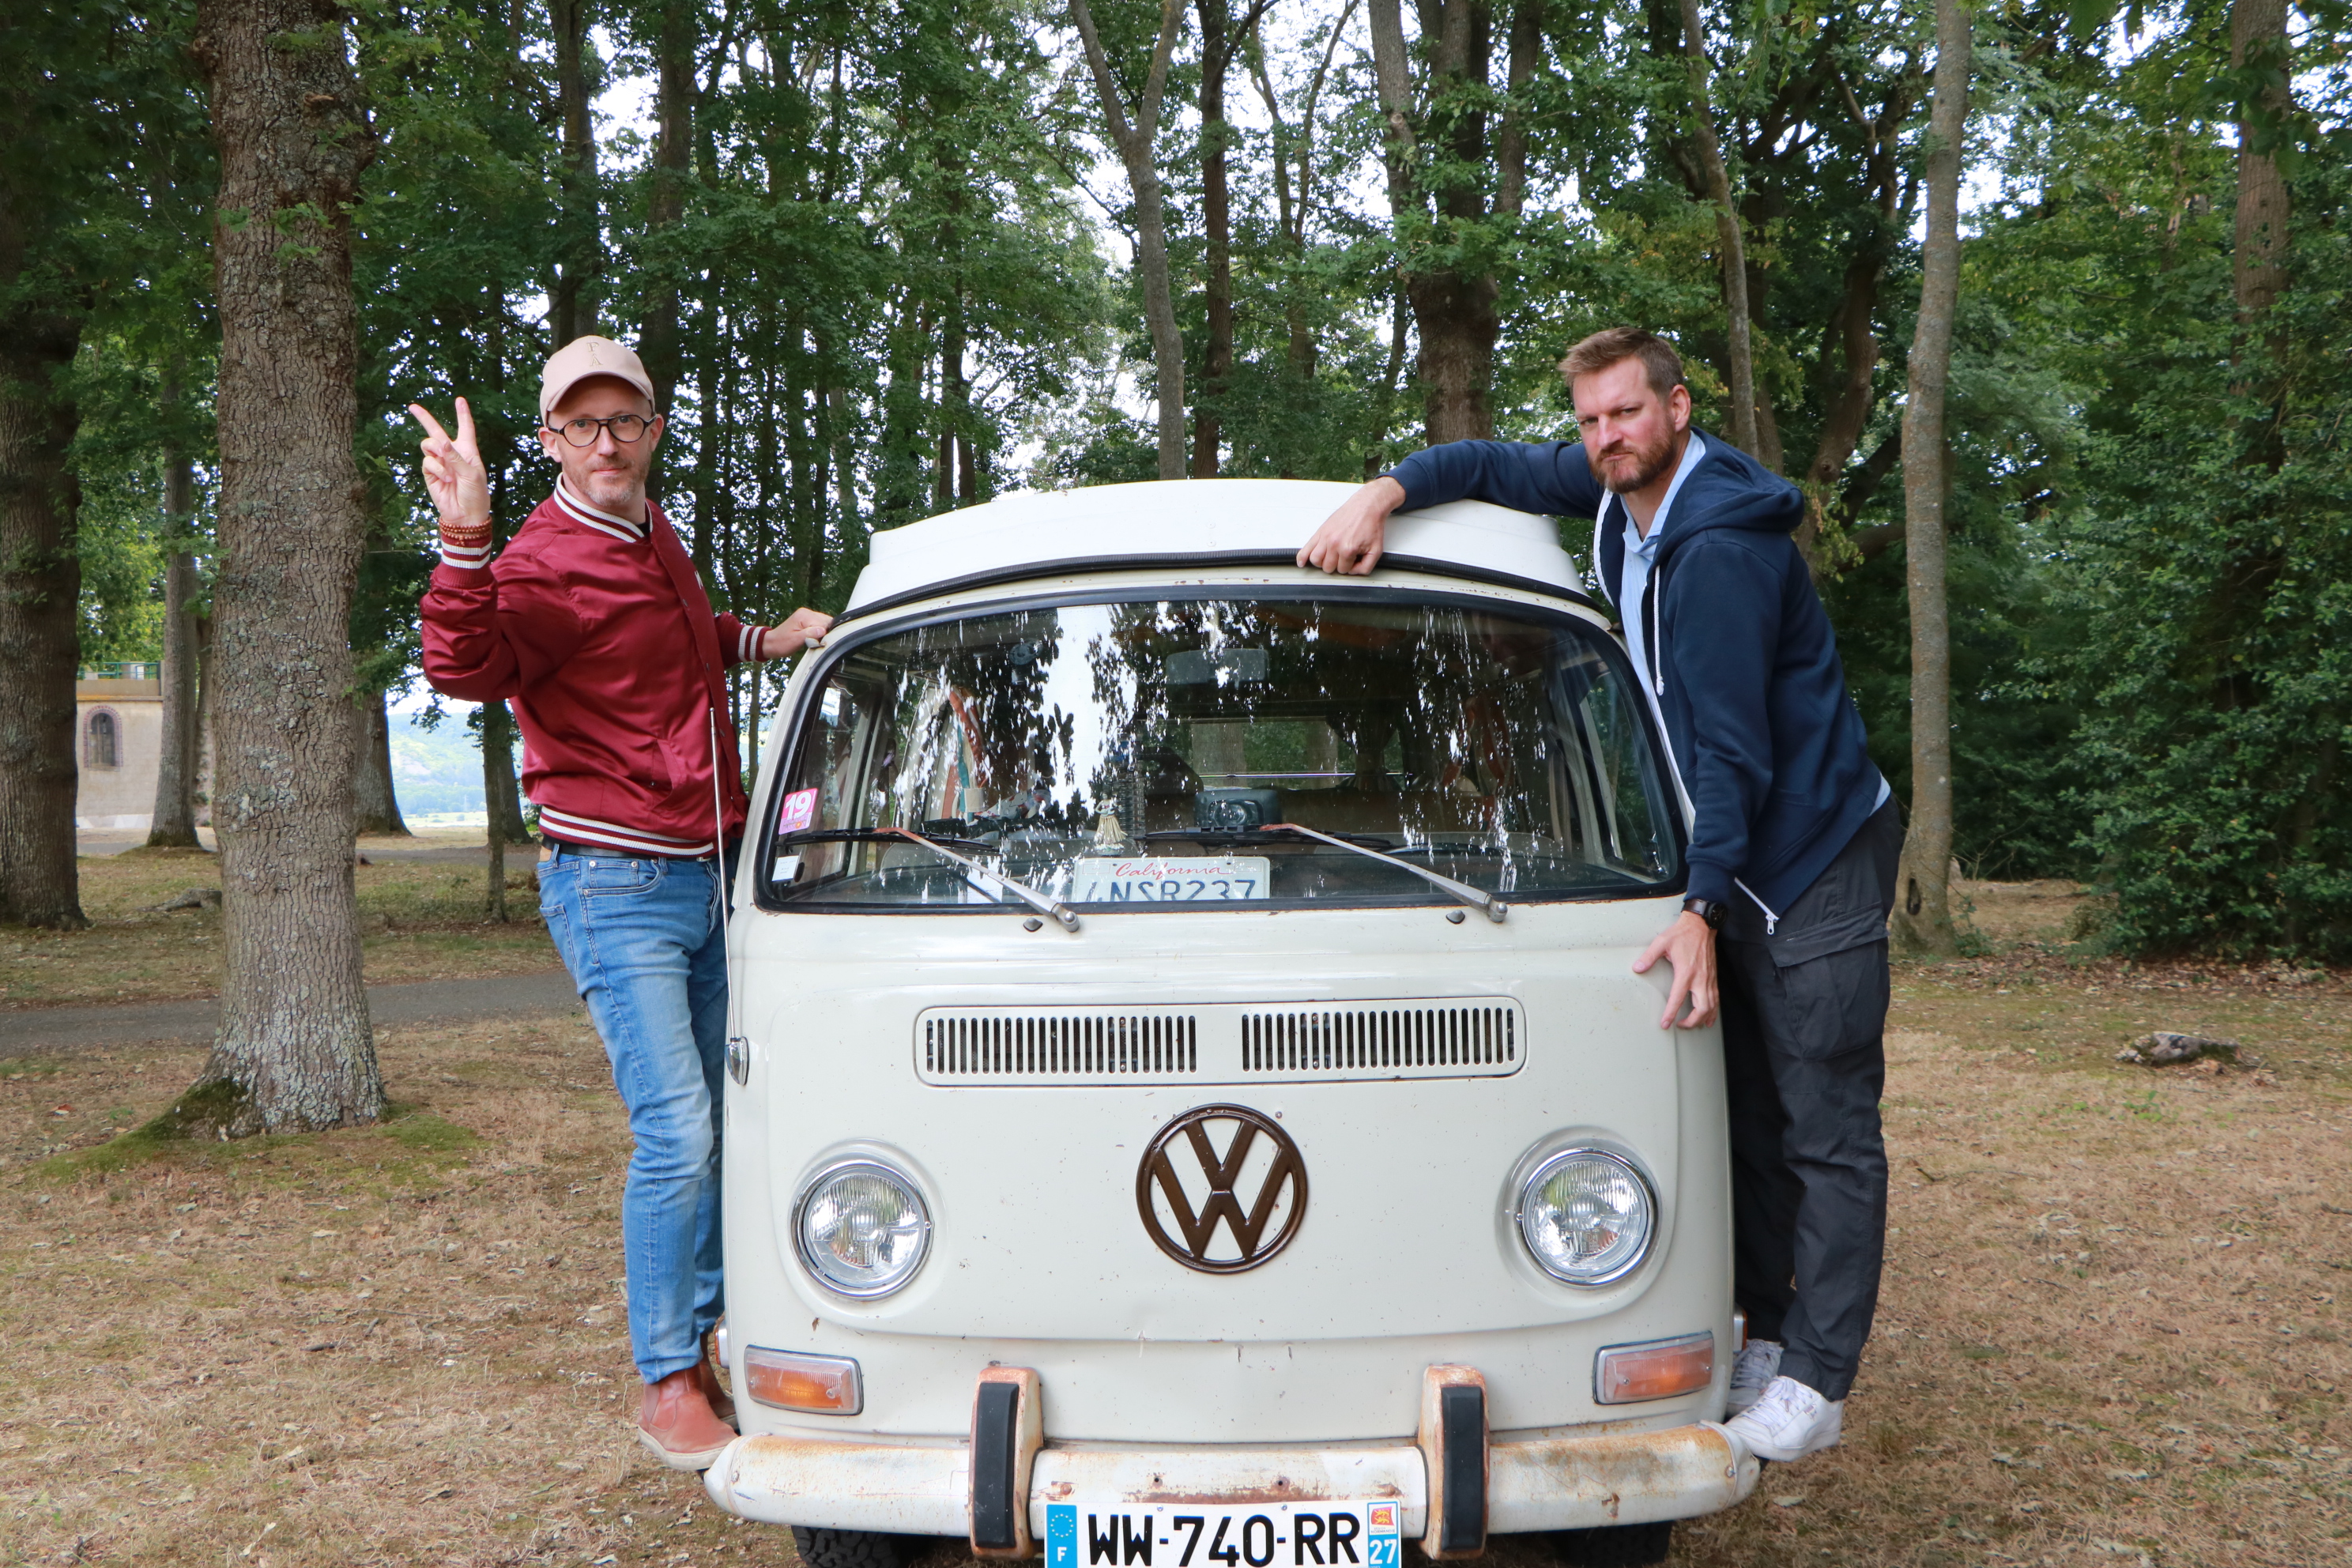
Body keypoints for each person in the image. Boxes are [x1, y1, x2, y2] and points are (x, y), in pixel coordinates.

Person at [1299, 327, 1899, 1464]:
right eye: (1589, 421)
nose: (1606, 438)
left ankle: (1818, 1381)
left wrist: (1700, 907)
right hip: (1739, 847)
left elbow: (1730, 754)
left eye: (1626, 413)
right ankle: (1768, 1332)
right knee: (1749, 1111)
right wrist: (1385, 490)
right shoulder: (1620, 493)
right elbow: (1490, 464)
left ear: (1678, 407)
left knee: (1822, 1121)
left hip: (1809, 852)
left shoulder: (1718, 550)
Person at [410, 336, 831, 1471]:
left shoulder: (653, 534)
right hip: (613, 883)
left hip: (709, 872)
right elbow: (464, 664)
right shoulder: (541, 562)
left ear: (653, 430)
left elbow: (672, 653)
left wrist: (762, 639)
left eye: (625, 422)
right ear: (553, 439)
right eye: (582, 426)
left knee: (730, 1120)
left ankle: (718, 1333)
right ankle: (665, 1379)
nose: (606, 443)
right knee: (677, 1129)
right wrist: (464, 538)